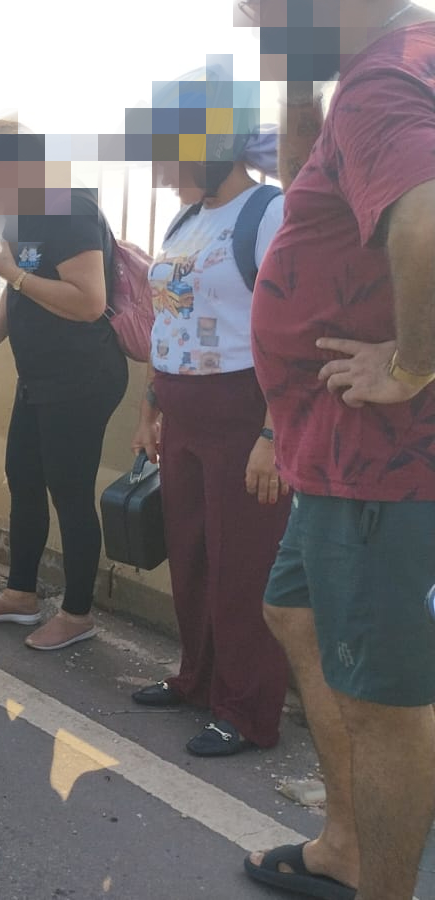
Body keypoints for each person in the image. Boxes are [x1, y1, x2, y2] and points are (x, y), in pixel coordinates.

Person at [238, 2, 435, 897]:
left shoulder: (381, 85)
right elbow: (307, 206)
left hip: (378, 463)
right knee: (296, 614)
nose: (248, 17)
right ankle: (347, 842)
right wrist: (299, 82)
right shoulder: (390, 61)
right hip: (329, 450)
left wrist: (412, 363)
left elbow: (426, 219)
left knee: (384, 708)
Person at [126, 64, 292, 757]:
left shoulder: (269, 212)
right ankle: (196, 678)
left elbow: (291, 330)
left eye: (168, 147)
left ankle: (248, 712)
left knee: (241, 565)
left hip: (243, 413)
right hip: (184, 410)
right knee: (190, 555)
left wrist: (271, 433)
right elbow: (174, 320)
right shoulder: (189, 218)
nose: (160, 165)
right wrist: (152, 402)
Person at [0, 119, 129, 651]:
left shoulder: (71, 211)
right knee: (24, 479)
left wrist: (11, 273)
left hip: (82, 377)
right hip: (39, 378)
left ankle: (78, 613)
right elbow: (17, 292)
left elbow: (89, 301)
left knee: (69, 492)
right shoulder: (19, 214)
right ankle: (21, 594)